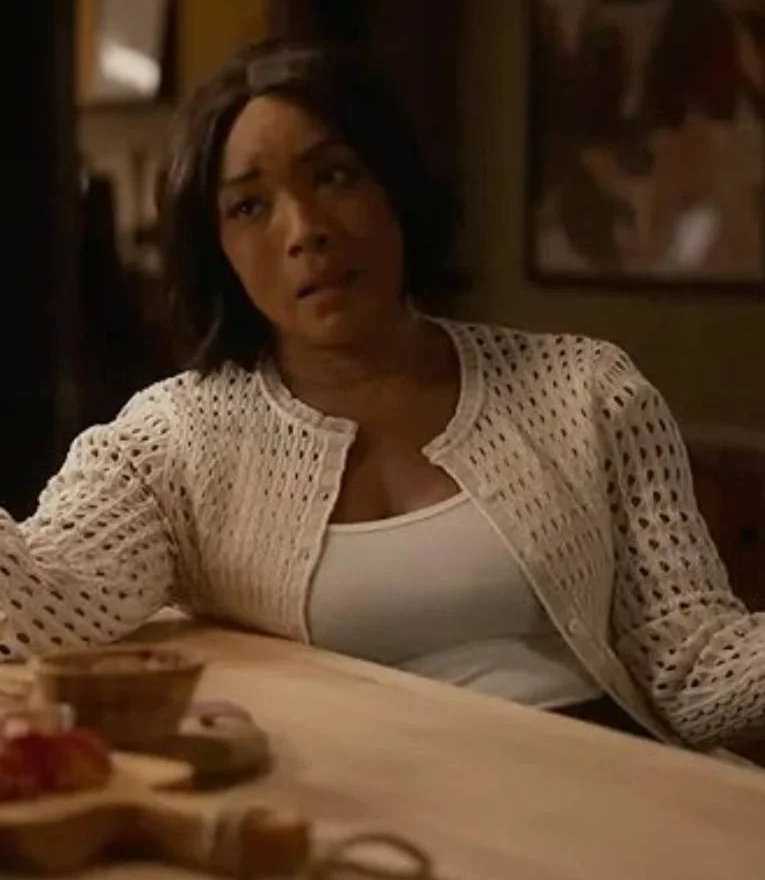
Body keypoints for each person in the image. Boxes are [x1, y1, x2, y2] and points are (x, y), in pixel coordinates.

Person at [0, 40, 762, 753]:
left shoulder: (585, 391)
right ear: (217, 248)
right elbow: (41, 609)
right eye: (249, 206)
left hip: (608, 783)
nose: (305, 230)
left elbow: (691, 665)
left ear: (395, 187)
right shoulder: (172, 442)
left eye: (333, 176)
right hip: (360, 807)